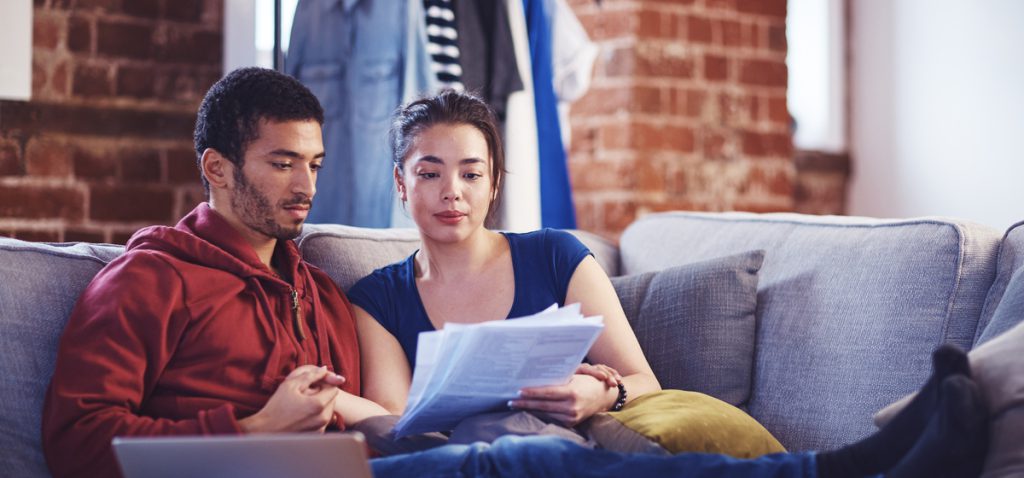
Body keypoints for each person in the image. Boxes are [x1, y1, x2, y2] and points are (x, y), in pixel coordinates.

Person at [42, 70, 989, 478]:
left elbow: (377, 416)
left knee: (528, 457)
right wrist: (253, 426)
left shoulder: (316, 288)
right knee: (520, 461)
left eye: (314, 165)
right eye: (281, 163)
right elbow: (74, 445)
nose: (303, 188)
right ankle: (850, 470)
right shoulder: (147, 283)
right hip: (285, 466)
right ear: (216, 168)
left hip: (360, 463)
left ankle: (856, 464)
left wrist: (597, 388)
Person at [347, 90, 661, 443]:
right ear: (401, 183)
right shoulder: (377, 299)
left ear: (494, 182)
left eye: (471, 174)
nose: (452, 191)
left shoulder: (555, 256)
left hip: (563, 453)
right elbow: (393, 421)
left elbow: (645, 383)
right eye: (430, 173)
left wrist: (596, 395)